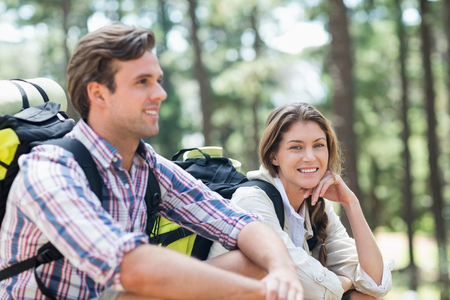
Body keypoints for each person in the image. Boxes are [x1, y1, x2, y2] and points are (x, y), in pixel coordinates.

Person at [0, 22, 304, 300]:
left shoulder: (148, 166)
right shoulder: (50, 169)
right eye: (142, 81)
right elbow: (131, 266)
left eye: (157, 80)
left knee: (256, 259)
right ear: (99, 93)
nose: (160, 93)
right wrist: (259, 292)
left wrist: (281, 271)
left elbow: (241, 223)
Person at [208, 102, 394, 300]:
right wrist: (346, 281)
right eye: (296, 147)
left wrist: (351, 203)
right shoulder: (252, 200)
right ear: (274, 157)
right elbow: (306, 286)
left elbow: (376, 283)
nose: (310, 157)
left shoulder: (317, 207)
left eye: (318, 145)